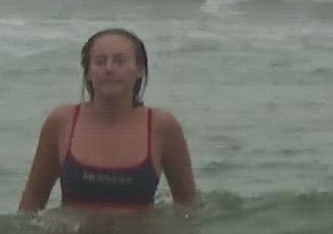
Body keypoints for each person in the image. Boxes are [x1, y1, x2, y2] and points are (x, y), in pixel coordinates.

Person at [17, 27, 198, 214]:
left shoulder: (162, 126)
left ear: (139, 70)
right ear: (87, 72)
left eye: (119, 61)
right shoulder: (62, 121)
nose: (109, 68)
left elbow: (189, 207)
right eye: (100, 62)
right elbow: (30, 206)